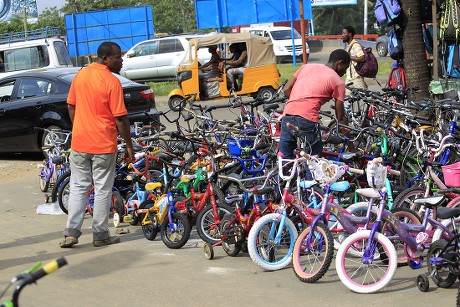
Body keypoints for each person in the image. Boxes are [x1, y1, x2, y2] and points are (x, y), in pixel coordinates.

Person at [59, 42, 135, 248]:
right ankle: (100, 234)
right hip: (103, 143)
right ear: (105, 58)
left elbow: (70, 105)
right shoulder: (112, 81)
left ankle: (71, 233)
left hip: (80, 142)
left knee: (78, 186)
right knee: (102, 188)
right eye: (117, 57)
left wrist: (80, 127)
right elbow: (120, 118)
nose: (121, 61)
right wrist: (129, 146)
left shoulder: (81, 75)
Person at [279, 49, 350, 159]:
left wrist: (298, 100)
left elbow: (286, 88)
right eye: (345, 68)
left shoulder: (306, 67)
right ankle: (310, 177)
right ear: (339, 63)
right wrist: (351, 146)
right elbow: (340, 118)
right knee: (313, 161)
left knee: (286, 161)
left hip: (287, 115)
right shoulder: (338, 82)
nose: (344, 73)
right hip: (307, 119)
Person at [341, 25, 367, 95]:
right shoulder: (349, 46)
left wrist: (349, 57)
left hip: (356, 77)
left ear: (350, 34)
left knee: (366, 97)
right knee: (346, 98)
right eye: (342, 33)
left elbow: (362, 58)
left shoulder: (355, 45)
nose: (342, 35)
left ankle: (374, 104)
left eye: (344, 33)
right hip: (349, 77)